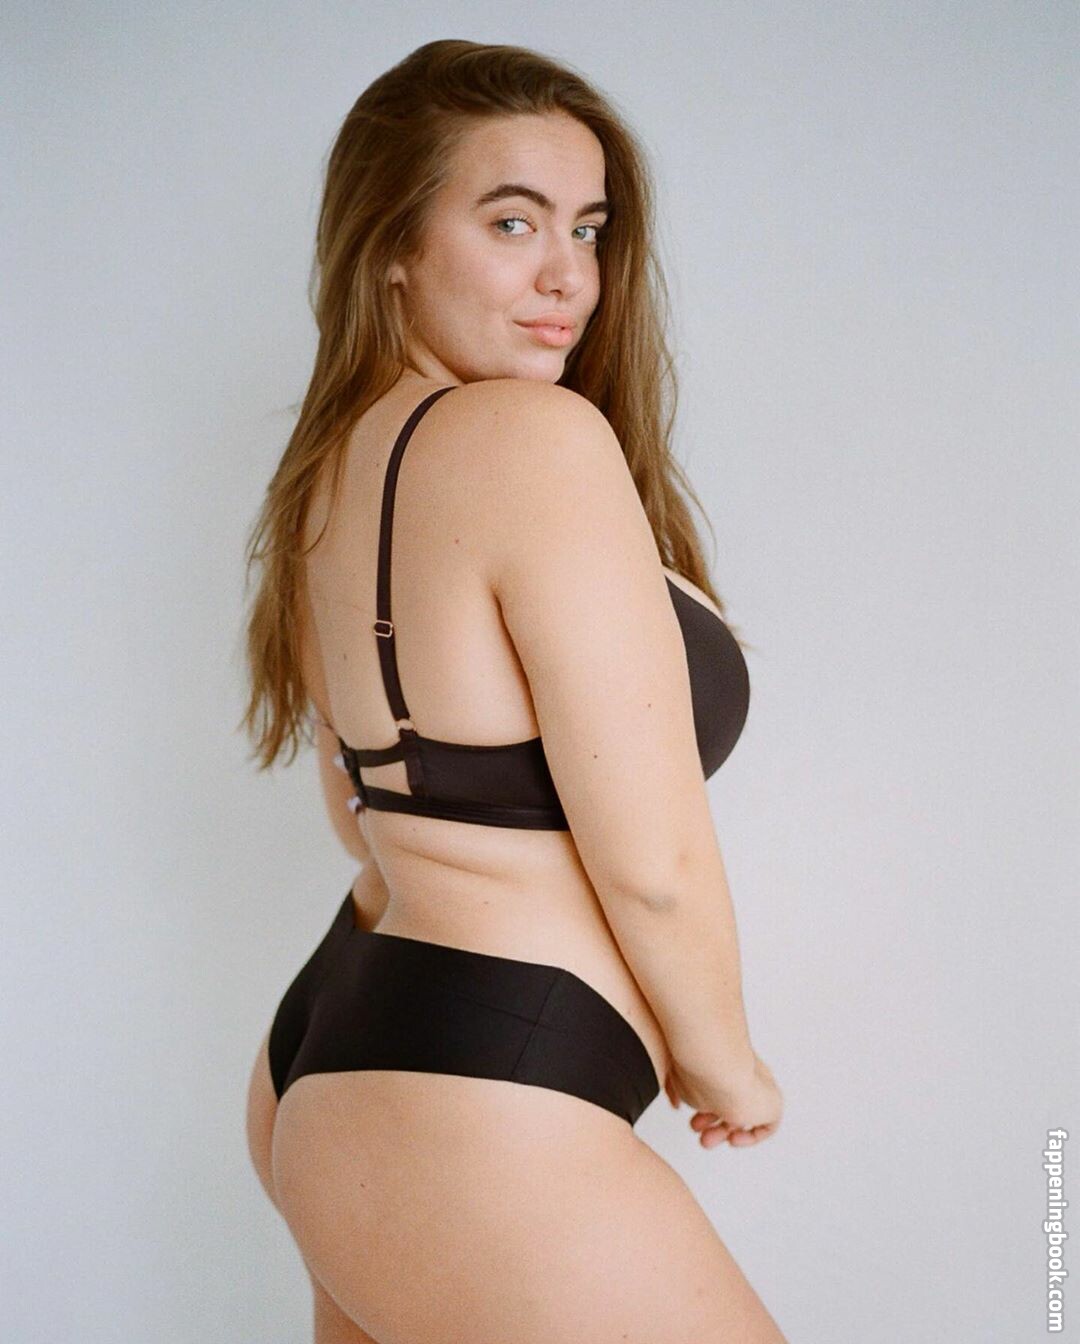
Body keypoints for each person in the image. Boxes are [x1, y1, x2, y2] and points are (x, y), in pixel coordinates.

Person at [239, 38, 787, 1344]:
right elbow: (651, 857)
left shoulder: (331, 471)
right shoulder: (531, 439)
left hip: (344, 1046)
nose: (569, 276)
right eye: (511, 222)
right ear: (392, 242)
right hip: (474, 1094)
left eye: (587, 228)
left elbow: (363, 813)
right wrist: (723, 1058)